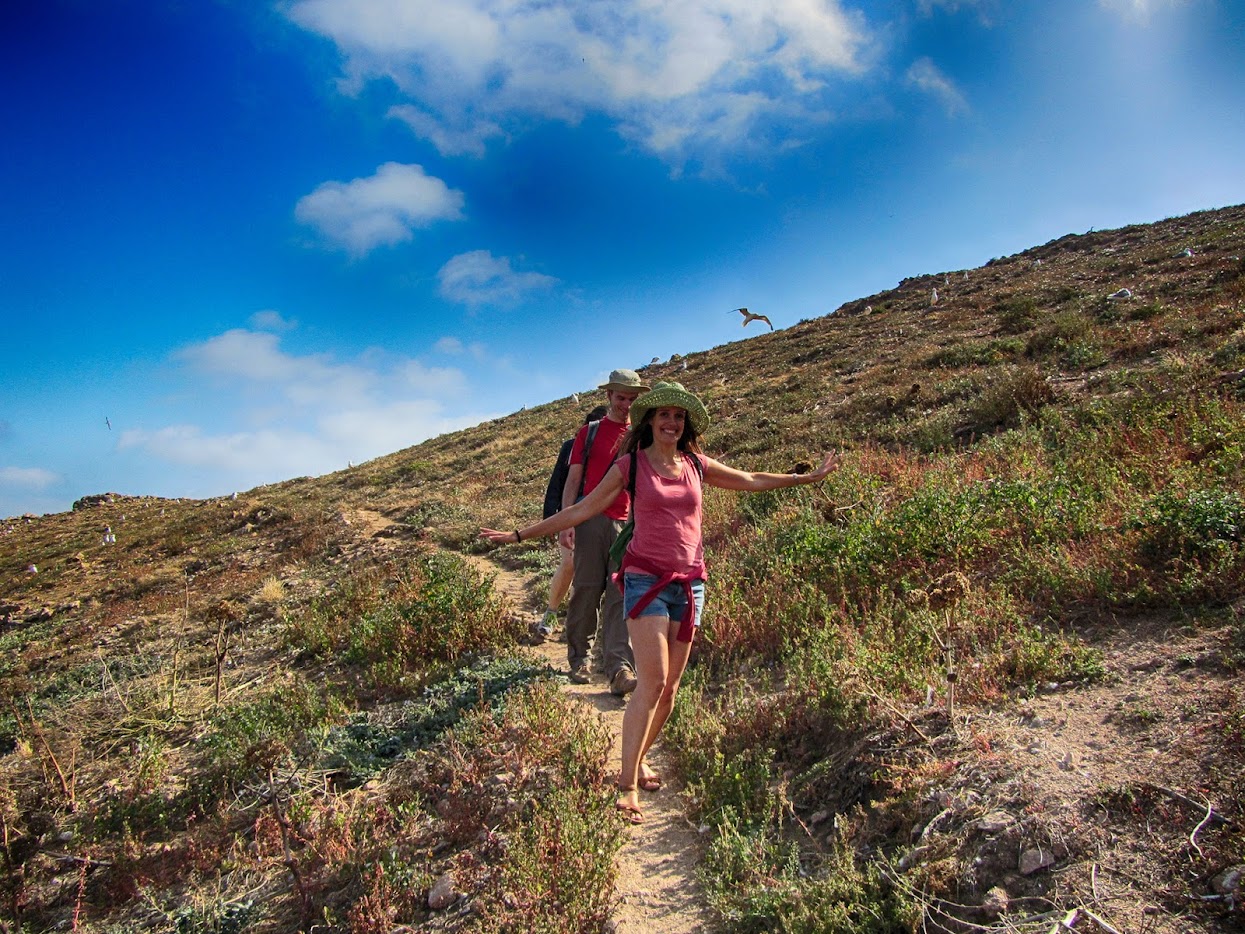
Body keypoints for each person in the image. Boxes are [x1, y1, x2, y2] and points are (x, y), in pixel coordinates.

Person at [481, 381, 838, 824]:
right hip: (644, 580)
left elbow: (751, 480)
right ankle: (627, 783)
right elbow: (581, 509)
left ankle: (641, 755)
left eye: (679, 416)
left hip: (691, 583)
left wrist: (805, 477)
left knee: (669, 689)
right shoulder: (629, 465)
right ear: (649, 421)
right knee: (653, 681)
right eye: (664, 414)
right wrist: (518, 534)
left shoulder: (695, 464)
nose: (672, 422)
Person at [560, 369, 649, 692]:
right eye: (621, 397)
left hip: (627, 524)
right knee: (586, 588)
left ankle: (618, 669)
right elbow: (574, 480)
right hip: (590, 519)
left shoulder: (642, 434)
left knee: (619, 596)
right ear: (609, 396)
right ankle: (579, 658)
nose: (626, 404)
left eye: (632, 398)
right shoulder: (590, 432)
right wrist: (567, 521)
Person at [536, 405, 609, 639]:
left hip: (606, 516)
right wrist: (553, 520)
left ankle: (586, 626)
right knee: (569, 564)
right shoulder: (572, 446)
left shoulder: (618, 446)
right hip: (572, 514)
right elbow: (558, 481)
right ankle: (551, 613)